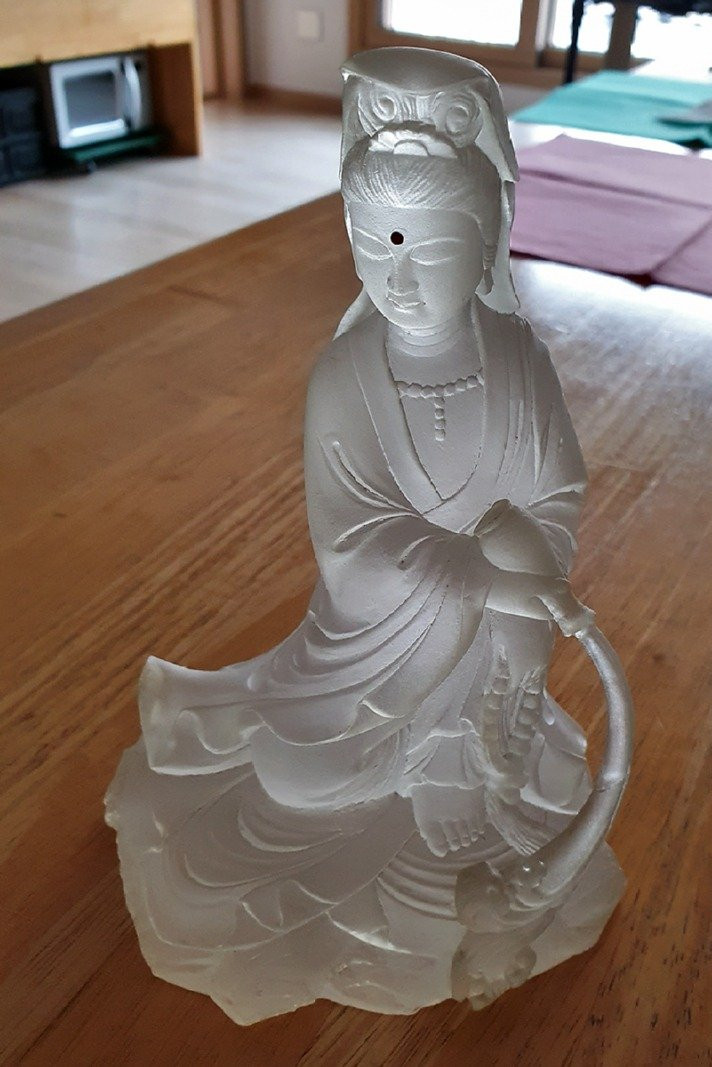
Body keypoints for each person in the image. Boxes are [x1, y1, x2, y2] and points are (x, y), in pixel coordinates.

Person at [106, 47, 627, 1024]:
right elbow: (353, 542)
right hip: (370, 653)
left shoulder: (518, 359)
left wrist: (516, 617)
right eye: (370, 242)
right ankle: (428, 774)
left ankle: (461, 765)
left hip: (492, 649)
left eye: (423, 247)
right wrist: (482, 573)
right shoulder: (344, 376)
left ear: (483, 241)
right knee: (300, 772)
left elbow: (553, 495)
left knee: (542, 772)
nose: (396, 273)